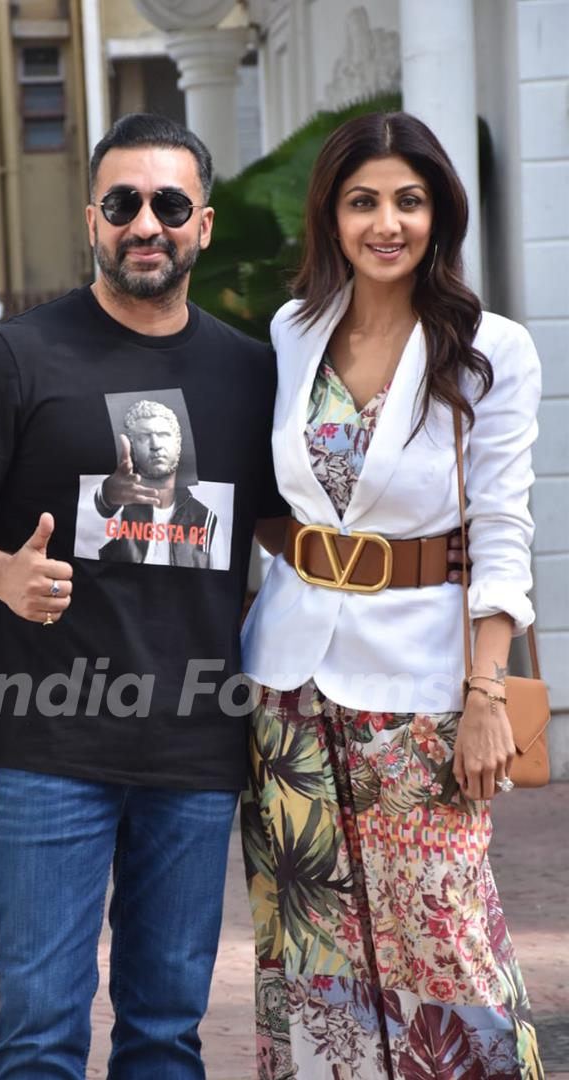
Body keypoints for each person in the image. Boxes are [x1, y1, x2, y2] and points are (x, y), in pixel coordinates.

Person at [0, 113, 287, 1079]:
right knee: (38, 1031)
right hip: (51, 738)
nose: (145, 223)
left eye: (168, 203)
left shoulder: (252, 373)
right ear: (92, 220)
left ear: (204, 221)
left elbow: (291, 535)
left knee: (167, 1030)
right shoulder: (18, 356)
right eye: (123, 204)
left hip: (198, 743)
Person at [240, 111, 544, 1078]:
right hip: (290, 687)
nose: (386, 223)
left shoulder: (490, 347)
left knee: (446, 940)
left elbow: (502, 530)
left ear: (437, 214)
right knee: (312, 947)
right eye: (363, 201)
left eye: (407, 202)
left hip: (422, 689)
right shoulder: (293, 333)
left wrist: (486, 695)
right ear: (330, 216)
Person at [75, 397, 224, 567]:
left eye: (163, 435)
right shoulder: (114, 511)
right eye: (144, 437)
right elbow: (81, 543)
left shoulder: (206, 520)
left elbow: (220, 585)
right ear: (132, 446)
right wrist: (106, 498)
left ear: (178, 443)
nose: (155, 445)